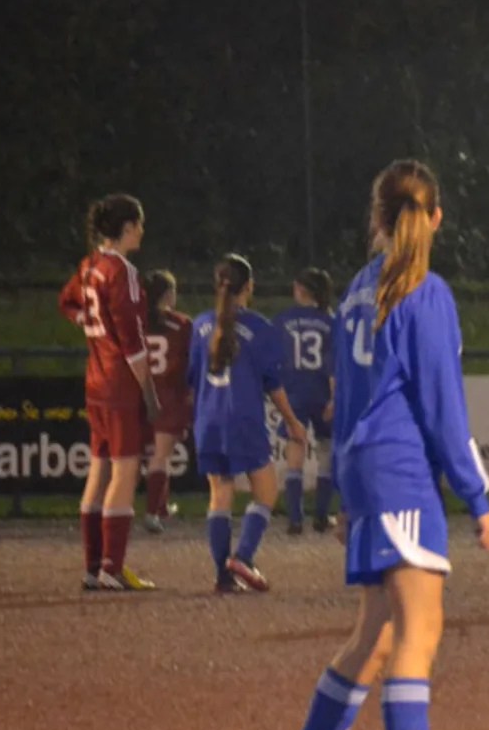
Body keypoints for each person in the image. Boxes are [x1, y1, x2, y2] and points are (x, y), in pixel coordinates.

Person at [267, 159, 489, 730]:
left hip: (368, 470)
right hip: (401, 473)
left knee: (374, 636)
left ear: (376, 218)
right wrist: (478, 497)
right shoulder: (424, 293)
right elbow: (441, 407)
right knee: (417, 632)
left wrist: (344, 490)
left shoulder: (355, 293)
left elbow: (350, 401)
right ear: (434, 218)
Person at [58, 193, 161, 591]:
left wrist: (90, 326)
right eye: (139, 223)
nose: (143, 231)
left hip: (95, 380)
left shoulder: (89, 266)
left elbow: (67, 303)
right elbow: (134, 344)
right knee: (124, 470)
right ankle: (112, 567)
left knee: (99, 469)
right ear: (128, 227)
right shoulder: (123, 272)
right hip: (119, 384)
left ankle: (92, 566)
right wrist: (149, 394)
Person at [187, 254, 307, 593]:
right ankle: (243, 556)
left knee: (220, 492)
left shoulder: (200, 326)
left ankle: (223, 576)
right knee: (266, 491)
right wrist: (294, 423)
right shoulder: (258, 328)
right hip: (242, 417)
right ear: (248, 287)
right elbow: (273, 384)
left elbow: (193, 378)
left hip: (208, 418)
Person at [272, 268, 338, 536]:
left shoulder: (283, 320)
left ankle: (295, 519)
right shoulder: (330, 321)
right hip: (320, 391)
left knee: (295, 455)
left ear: (300, 290)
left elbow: (274, 360)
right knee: (325, 453)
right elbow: (333, 368)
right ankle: (321, 516)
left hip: (293, 392)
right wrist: (334, 398)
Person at [140, 270, 194, 535]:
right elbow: (191, 363)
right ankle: (152, 512)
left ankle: (159, 507)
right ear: (168, 294)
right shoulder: (182, 324)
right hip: (169, 395)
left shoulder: (135, 322)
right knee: (161, 456)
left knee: (133, 458)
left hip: (137, 393)